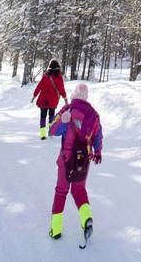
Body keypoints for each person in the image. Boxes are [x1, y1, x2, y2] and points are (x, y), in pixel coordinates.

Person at [48, 82, 102, 244]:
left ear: (73, 96)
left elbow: (52, 131)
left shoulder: (68, 110)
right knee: (79, 190)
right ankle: (86, 219)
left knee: (61, 191)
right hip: (83, 160)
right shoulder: (94, 114)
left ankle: (56, 229)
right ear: (86, 97)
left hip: (66, 160)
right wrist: (97, 151)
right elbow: (98, 135)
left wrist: (63, 122)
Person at [32, 59, 67, 140]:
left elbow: (39, 87)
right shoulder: (59, 77)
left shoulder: (45, 76)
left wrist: (34, 96)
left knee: (43, 116)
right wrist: (65, 97)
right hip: (53, 100)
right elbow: (61, 88)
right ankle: (51, 132)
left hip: (43, 100)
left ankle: (42, 134)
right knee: (51, 116)